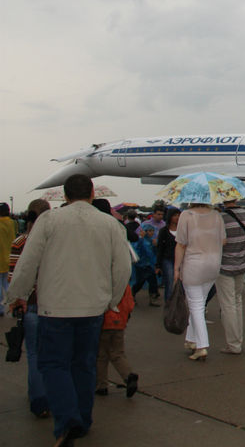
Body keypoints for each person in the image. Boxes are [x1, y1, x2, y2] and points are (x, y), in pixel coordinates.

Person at [4, 174, 132, 446]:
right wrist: (112, 300)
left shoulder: (49, 221)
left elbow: (28, 263)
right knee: (83, 364)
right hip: (93, 308)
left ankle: (67, 419)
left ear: (64, 195)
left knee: (53, 364)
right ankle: (83, 420)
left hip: (55, 308)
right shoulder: (110, 224)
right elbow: (122, 268)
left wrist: (17, 295)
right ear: (92, 193)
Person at [6, 198, 52, 418]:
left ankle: (38, 399)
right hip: (54, 304)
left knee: (34, 353)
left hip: (30, 303)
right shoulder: (54, 242)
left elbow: (13, 275)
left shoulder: (20, 241)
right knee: (54, 354)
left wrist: (15, 300)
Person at [174, 201, 227, 361]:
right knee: (199, 302)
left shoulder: (187, 215)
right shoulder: (217, 215)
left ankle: (201, 345)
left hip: (194, 264)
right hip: (213, 264)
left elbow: (181, 244)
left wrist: (176, 268)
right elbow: (223, 240)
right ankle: (191, 339)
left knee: (196, 306)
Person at [217, 199, 245, 354]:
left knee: (227, 305)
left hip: (224, 265)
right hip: (242, 265)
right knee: (237, 302)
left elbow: (219, 242)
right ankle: (238, 340)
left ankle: (233, 344)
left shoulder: (220, 218)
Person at [95, 285, 138, 398]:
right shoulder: (125, 285)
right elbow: (130, 305)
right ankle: (128, 375)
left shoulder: (103, 282)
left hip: (105, 323)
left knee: (101, 355)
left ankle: (102, 385)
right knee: (118, 353)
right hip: (120, 323)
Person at [131, 221, 161, 307]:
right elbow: (137, 250)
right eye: (149, 231)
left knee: (153, 282)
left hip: (150, 265)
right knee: (140, 281)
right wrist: (141, 238)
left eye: (152, 231)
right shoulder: (140, 241)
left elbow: (154, 253)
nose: (151, 233)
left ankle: (152, 298)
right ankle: (133, 294)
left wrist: (156, 246)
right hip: (141, 265)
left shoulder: (152, 241)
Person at [156, 208, 180, 301]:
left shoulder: (183, 230)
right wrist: (158, 265)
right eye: (175, 215)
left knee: (181, 284)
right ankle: (169, 307)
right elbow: (160, 248)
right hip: (168, 259)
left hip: (181, 259)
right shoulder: (164, 231)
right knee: (169, 283)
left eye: (178, 215)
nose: (177, 217)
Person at [0, 202, 16, 311]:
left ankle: (1, 308)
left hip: (0, 257)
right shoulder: (13, 223)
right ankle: (13, 304)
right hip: (10, 257)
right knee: (7, 284)